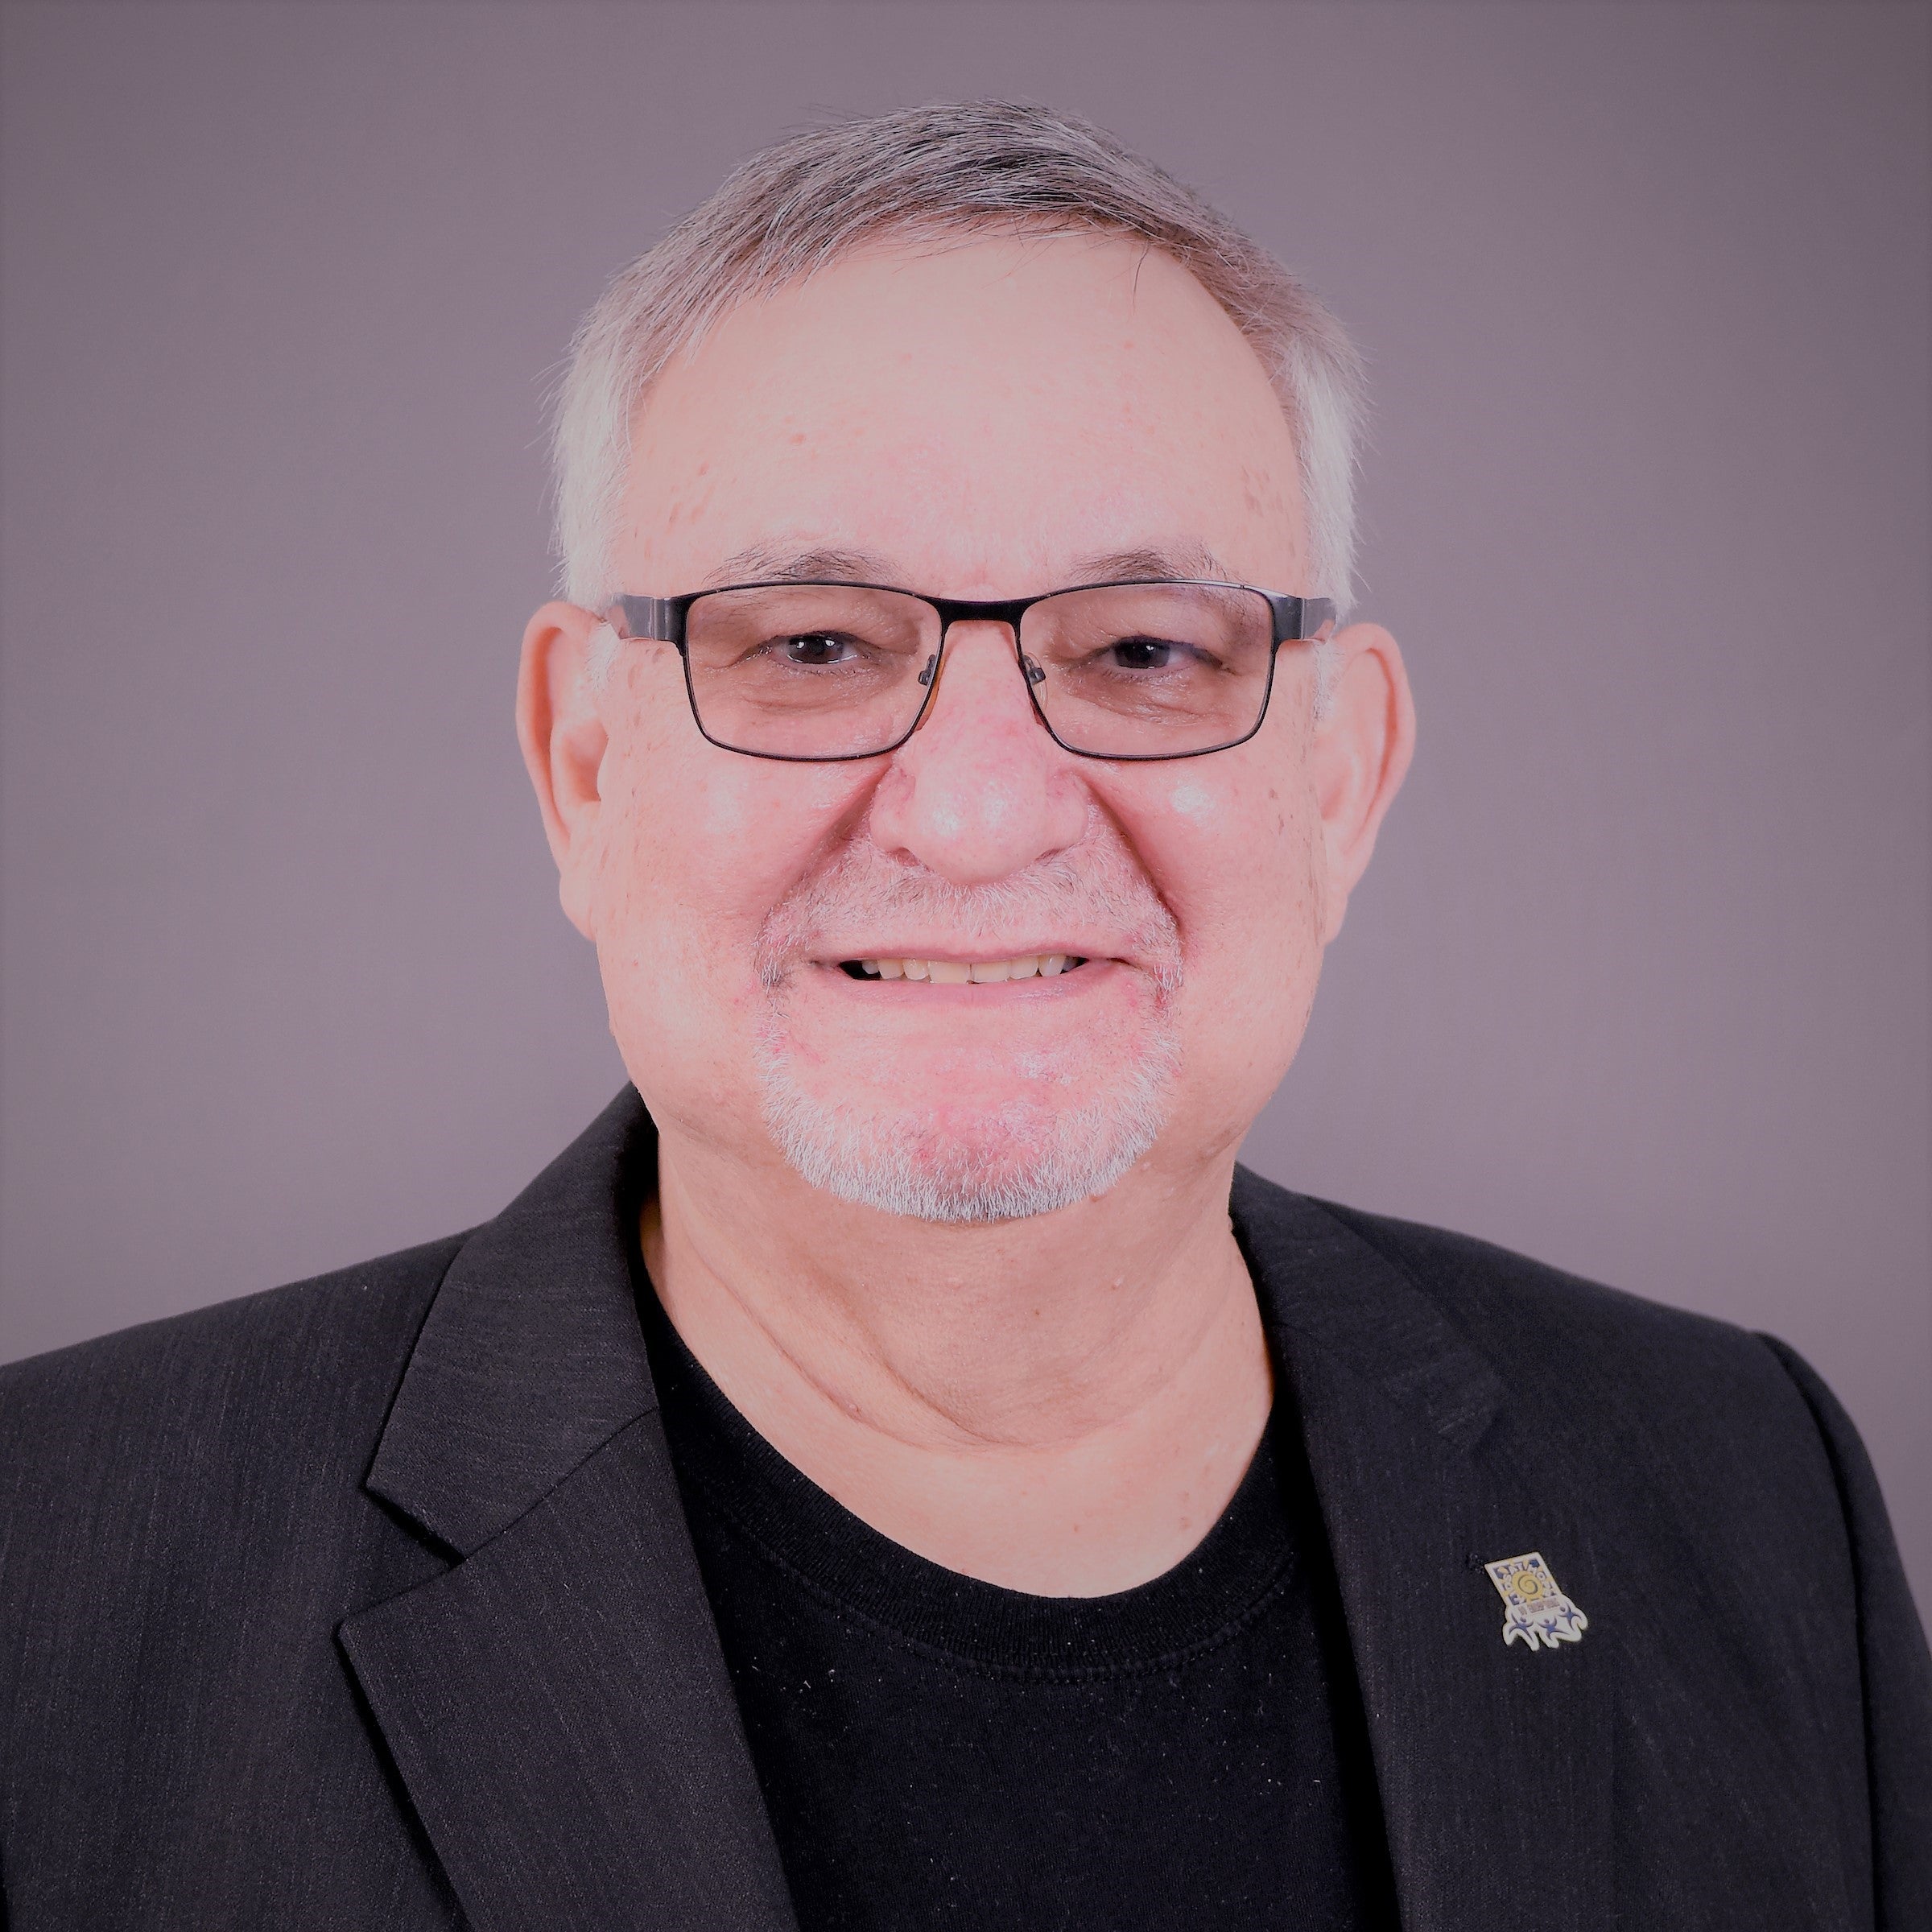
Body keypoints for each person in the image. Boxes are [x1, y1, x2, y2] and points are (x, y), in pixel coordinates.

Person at [2, 101, 1926, 1932]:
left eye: (1151, 648)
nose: (983, 808)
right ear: (579, 762)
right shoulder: (54, 1580)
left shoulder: (1745, 1503)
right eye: (816, 645)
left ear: (1344, 782)